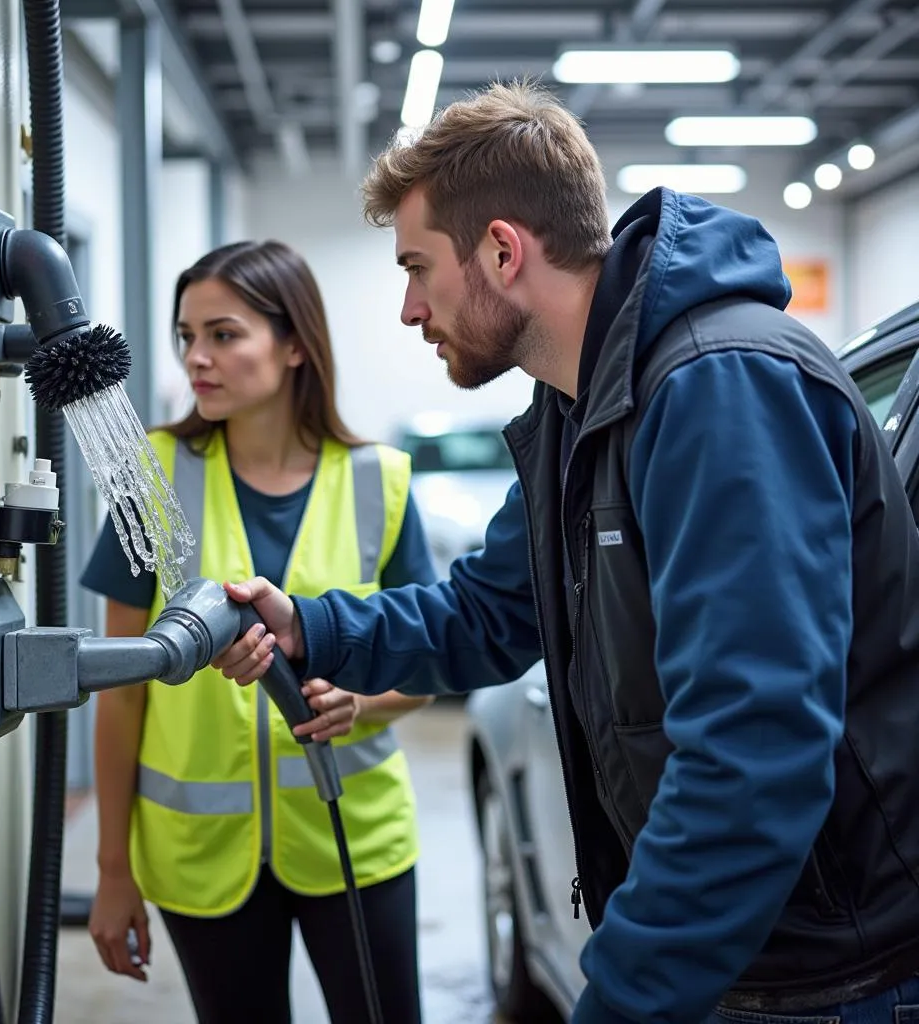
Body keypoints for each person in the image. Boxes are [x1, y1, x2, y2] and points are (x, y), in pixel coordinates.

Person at [215, 81, 919, 1024]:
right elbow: (489, 611)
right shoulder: (579, 408)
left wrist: (622, 1000)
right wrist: (309, 627)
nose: (408, 310)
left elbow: (754, 752)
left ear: (502, 251)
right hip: (753, 962)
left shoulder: (719, 388)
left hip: (833, 977)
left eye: (419, 268)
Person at [81, 239, 436, 1024]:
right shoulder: (154, 474)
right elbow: (121, 694)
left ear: (295, 345)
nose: (195, 359)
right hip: (199, 853)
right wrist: (112, 869)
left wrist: (361, 702)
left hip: (358, 844)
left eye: (223, 333)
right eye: (187, 336)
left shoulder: (380, 480)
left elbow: (426, 663)